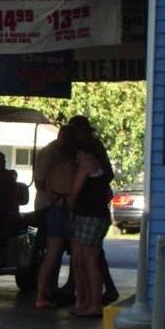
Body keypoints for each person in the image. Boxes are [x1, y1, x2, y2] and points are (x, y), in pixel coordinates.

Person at [66, 115, 119, 305]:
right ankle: (85, 298)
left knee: (89, 259)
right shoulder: (92, 152)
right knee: (84, 258)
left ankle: (91, 301)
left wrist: (70, 208)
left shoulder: (89, 155)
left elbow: (75, 189)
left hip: (90, 212)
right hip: (92, 212)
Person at [32, 124, 78, 309]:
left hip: (58, 207)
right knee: (53, 253)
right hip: (51, 208)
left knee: (56, 253)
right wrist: (58, 197)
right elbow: (40, 183)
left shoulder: (63, 158)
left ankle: (51, 291)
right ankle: (45, 292)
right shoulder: (48, 155)